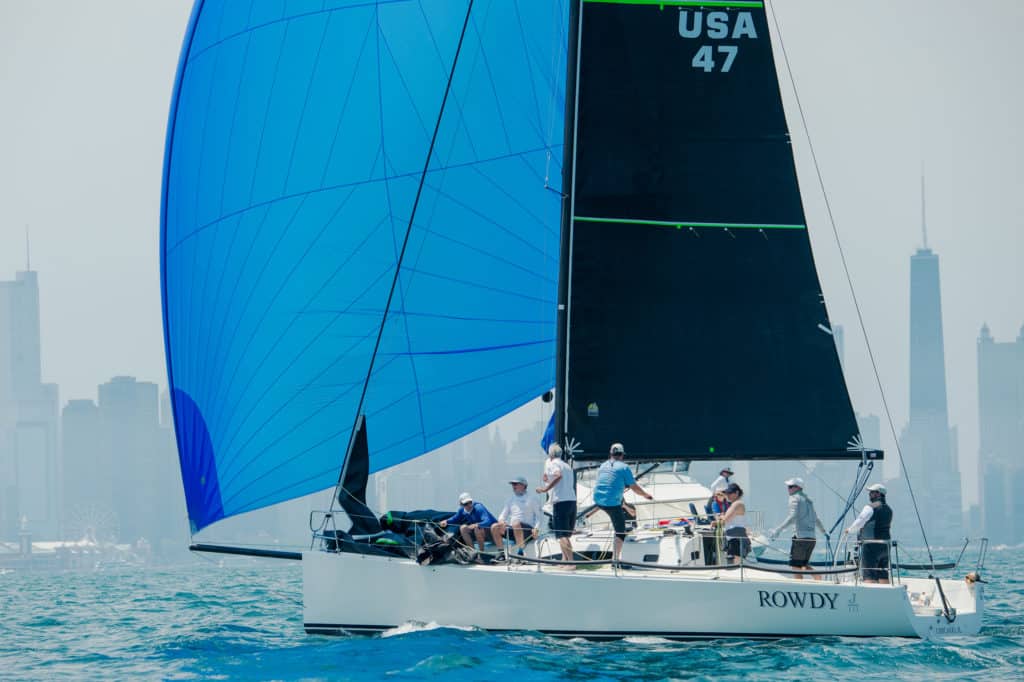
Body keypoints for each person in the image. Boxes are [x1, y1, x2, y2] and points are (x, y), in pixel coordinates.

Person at [592, 443, 653, 562]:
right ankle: (615, 560)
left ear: (611, 454)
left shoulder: (602, 466)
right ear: (622, 455)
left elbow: (608, 481)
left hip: (598, 500)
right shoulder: (624, 467)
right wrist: (646, 495)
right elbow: (634, 487)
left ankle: (622, 506)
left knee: (617, 501)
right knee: (620, 531)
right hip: (611, 503)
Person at [767, 477, 827, 580]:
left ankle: (800, 585)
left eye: (790, 487)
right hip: (811, 539)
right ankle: (818, 577)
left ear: (797, 488)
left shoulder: (794, 498)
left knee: (795, 565)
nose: (788, 489)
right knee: (803, 564)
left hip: (800, 539)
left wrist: (778, 530)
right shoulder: (809, 500)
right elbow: (816, 519)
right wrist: (824, 532)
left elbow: (792, 516)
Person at [537, 443, 577, 567]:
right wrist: (548, 478)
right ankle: (564, 560)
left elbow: (558, 476)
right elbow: (561, 479)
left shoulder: (554, 464)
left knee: (562, 534)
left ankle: (571, 563)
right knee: (564, 533)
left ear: (551, 454)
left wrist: (545, 489)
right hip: (571, 501)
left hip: (561, 502)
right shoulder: (567, 465)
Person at [844, 483, 893, 584]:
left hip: (871, 546)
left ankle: (870, 598)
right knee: (883, 574)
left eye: (872, 492)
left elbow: (860, 521)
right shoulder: (889, 509)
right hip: (885, 546)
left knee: (869, 575)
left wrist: (849, 530)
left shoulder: (870, 507)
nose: (869, 494)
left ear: (878, 494)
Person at [491, 476, 542, 556]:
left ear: (523, 485)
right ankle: (501, 554)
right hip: (514, 529)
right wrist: (502, 522)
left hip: (528, 531)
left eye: (515, 484)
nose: (513, 486)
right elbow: (502, 516)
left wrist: (536, 528)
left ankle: (521, 553)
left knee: (516, 524)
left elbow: (539, 516)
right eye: (512, 484)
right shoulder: (510, 499)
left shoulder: (533, 498)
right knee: (494, 526)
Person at [716, 483, 749, 564]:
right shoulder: (735, 504)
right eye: (727, 493)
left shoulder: (737, 504)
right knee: (733, 564)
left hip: (736, 539)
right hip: (734, 538)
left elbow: (725, 519)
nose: (727, 495)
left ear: (737, 493)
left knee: (735, 565)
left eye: (730, 493)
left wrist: (720, 517)